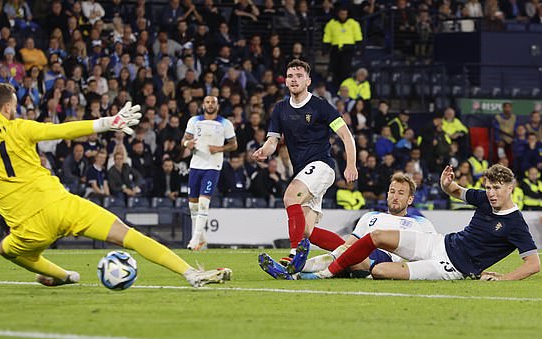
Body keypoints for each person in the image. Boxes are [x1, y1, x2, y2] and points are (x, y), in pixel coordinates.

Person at [0, 83, 231, 288]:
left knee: (5, 249)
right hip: (63, 206)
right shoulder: (20, 127)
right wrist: (106, 123)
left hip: (27, 228)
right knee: (131, 236)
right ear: (6, 108)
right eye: (14, 106)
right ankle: (190, 273)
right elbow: (62, 130)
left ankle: (64, 276)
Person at [300, 164, 540, 281]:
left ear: (510, 188)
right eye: (488, 187)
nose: (491, 193)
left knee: (380, 270)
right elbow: (455, 190)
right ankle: (327, 273)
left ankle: (325, 267)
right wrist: (446, 185)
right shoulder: (484, 198)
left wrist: (503, 279)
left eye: (496, 188)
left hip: (450, 268)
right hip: (439, 243)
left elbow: (533, 264)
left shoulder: (516, 224)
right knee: (377, 236)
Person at [252, 60, 358, 271]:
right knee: (307, 231)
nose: (294, 79)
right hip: (304, 172)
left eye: (299, 75)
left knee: (290, 196)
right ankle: (353, 256)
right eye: (290, 75)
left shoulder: (320, 106)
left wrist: (351, 165)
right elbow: (273, 140)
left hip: (322, 166)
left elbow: (346, 135)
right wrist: (264, 150)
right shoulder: (280, 109)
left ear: (308, 81)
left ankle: (294, 257)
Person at [259, 172, 436, 279]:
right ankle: (295, 272)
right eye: (392, 191)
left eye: (401, 193)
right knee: (343, 251)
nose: (395, 196)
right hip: (355, 254)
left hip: (386, 260)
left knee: (345, 254)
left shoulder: (419, 223)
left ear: (410, 199)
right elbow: (349, 243)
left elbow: (434, 251)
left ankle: (297, 267)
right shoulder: (370, 217)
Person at [182, 96, 237, 250]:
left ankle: (194, 240)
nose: (210, 105)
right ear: (203, 105)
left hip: (213, 166)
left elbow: (234, 144)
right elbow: (184, 140)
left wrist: (219, 149)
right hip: (196, 164)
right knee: (193, 205)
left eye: (213, 102)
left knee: (204, 203)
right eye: (207, 102)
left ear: (217, 105)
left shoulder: (225, 123)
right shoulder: (194, 121)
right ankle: (202, 239)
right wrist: (188, 144)